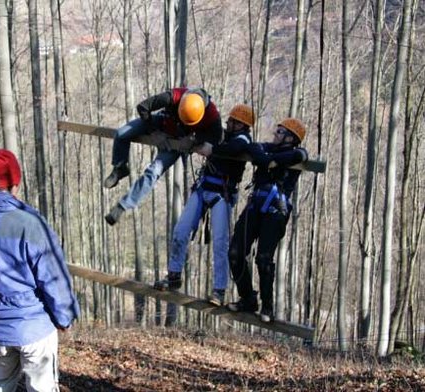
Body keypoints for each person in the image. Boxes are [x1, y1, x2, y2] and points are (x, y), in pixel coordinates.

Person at [0, 149, 80, 392]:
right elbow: (52, 278)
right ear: (15, 182)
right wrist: (64, 317)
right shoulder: (30, 224)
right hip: (35, 329)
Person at [153, 104, 256, 307]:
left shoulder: (243, 139)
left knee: (220, 243)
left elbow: (234, 148)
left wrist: (212, 150)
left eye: (233, 121)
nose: (228, 122)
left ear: (241, 125)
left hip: (222, 194)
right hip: (203, 188)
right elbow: (206, 135)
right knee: (180, 231)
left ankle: (219, 290)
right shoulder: (221, 134)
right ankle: (174, 275)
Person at [225, 118, 308, 323]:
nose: (275, 134)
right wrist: (267, 159)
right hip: (255, 206)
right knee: (235, 252)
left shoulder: (297, 153)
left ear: (290, 137)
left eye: (280, 132)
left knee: (263, 258)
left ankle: (267, 306)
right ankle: (247, 298)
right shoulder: (267, 148)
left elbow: (300, 155)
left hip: (276, 211)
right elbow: (254, 148)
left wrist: (272, 160)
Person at [104, 87, 223, 225]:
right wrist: (154, 132)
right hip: (161, 124)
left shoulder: (212, 115)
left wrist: (194, 140)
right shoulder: (174, 96)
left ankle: (122, 206)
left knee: (153, 172)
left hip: (178, 141)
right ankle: (120, 167)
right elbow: (143, 107)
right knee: (121, 133)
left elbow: (217, 138)